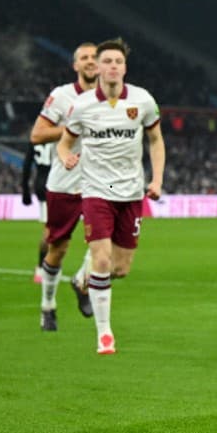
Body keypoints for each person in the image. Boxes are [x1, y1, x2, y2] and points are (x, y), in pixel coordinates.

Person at [56, 37, 165, 354]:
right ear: (98, 68)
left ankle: (81, 279)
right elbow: (65, 142)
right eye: (107, 61)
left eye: (118, 61)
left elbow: (156, 140)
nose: (112, 66)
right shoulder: (83, 106)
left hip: (131, 192)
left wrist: (156, 179)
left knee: (120, 268)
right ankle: (104, 334)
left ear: (124, 68)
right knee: (102, 259)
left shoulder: (143, 101)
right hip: (95, 191)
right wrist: (65, 156)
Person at [29, 42, 99, 331]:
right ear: (76, 65)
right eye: (84, 57)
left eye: (95, 56)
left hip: (100, 181)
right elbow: (37, 134)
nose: (91, 61)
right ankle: (48, 305)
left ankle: (82, 282)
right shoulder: (61, 96)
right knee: (58, 248)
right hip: (65, 182)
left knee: (105, 240)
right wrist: (70, 129)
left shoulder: (114, 97)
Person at [21, 141, 51, 284]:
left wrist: (25, 190)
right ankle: (42, 267)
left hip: (41, 185)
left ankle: (44, 266)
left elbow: (26, 166)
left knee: (50, 229)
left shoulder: (36, 138)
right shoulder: (60, 134)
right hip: (56, 184)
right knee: (50, 231)